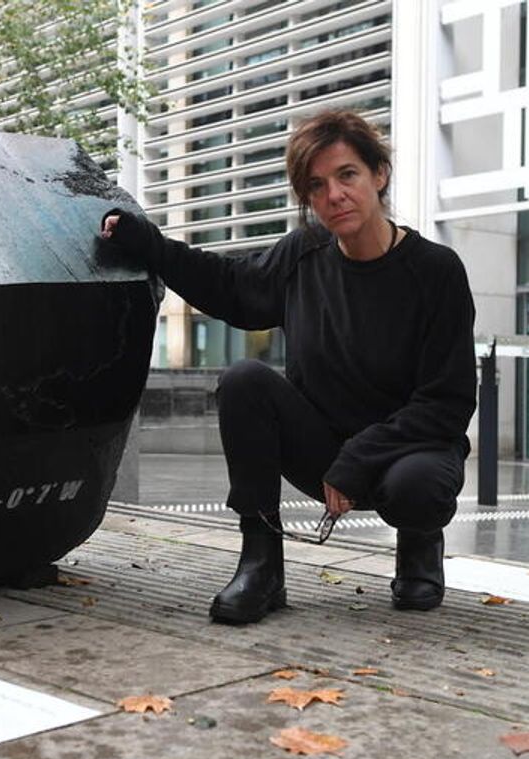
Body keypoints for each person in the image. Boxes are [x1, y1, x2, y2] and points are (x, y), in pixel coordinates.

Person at [100, 110, 476, 622]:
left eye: (347, 175)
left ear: (379, 174)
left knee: (418, 488)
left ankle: (419, 544)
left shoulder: (436, 270)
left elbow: (447, 402)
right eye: (316, 186)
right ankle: (261, 564)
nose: (334, 195)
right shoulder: (304, 254)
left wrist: (359, 458)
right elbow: (232, 286)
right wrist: (149, 244)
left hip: (407, 453)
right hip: (324, 446)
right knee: (244, 381)